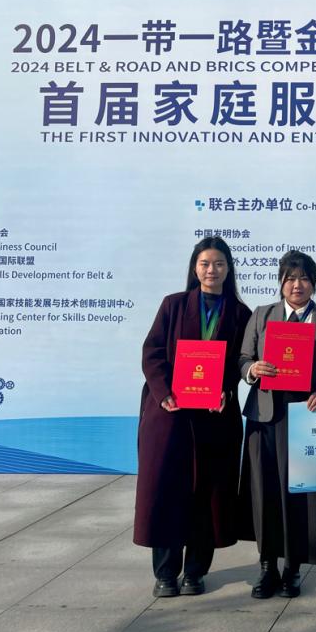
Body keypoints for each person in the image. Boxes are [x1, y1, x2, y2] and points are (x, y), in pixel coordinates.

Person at [133, 236, 251, 598]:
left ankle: (196, 572)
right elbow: (152, 352)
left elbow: (239, 362)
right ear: (195, 268)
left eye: (219, 263)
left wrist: (227, 390)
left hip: (215, 419)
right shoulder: (174, 305)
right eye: (205, 263)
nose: (211, 270)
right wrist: (163, 392)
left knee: (208, 495)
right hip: (171, 416)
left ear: (229, 269)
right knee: (167, 492)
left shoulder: (240, 313)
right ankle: (165, 573)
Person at [238, 250, 316, 599]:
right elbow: (243, 357)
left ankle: (293, 568)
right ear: (281, 282)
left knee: (301, 493)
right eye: (290, 278)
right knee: (264, 490)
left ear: (314, 283)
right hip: (265, 416)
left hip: (305, 417)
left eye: (304, 278)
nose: (297, 285)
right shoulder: (262, 314)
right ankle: (267, 565)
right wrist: (252, 370)